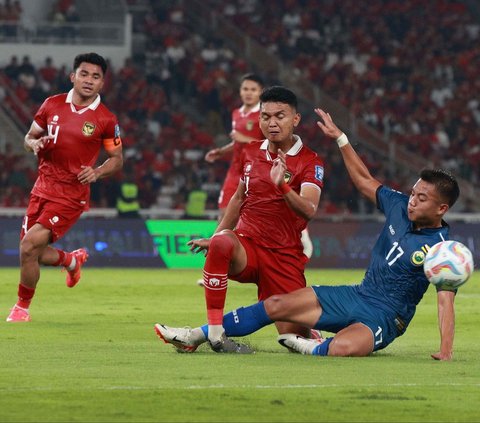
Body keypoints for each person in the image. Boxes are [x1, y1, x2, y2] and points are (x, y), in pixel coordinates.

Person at [155, 108, 459, 361]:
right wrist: (341, 138)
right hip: (356, 295)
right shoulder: (397, 204)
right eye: (414, 192)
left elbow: (445, 301)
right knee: (276, 306)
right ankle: (195, 334)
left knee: (345, 348)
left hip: (386, 316)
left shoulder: (444, 250)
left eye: (422, 198)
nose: (412, 200)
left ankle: (310, 345)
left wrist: (445, 351)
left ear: (441, 208)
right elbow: (364, 180)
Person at [156, 86, 325, 353]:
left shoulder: (310, 161)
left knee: (295, 339)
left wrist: (282, 186)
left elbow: (309, 209)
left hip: (283, 257)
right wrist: (215, 236)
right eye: (265, 116)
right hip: (248, 247)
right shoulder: (250, 152)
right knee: (222, 243)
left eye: (279, 116)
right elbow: (237, 199)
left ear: (295, 119)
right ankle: (213, 334)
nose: (272, 123)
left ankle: (196, 336)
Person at [6, 52, 123, 322]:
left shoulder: (106, 119)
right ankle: (71, 260)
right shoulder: (52, 104)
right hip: (42, 187)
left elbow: (116, 160)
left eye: (96, 76)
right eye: (84, 74)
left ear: (102, 83)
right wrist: (33, 144)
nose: (89, 80)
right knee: (30, 252)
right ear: (73, 76)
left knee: (28, 246)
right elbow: (28, 138)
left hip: (71, 194)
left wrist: (97, 172)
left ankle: (22, 308)